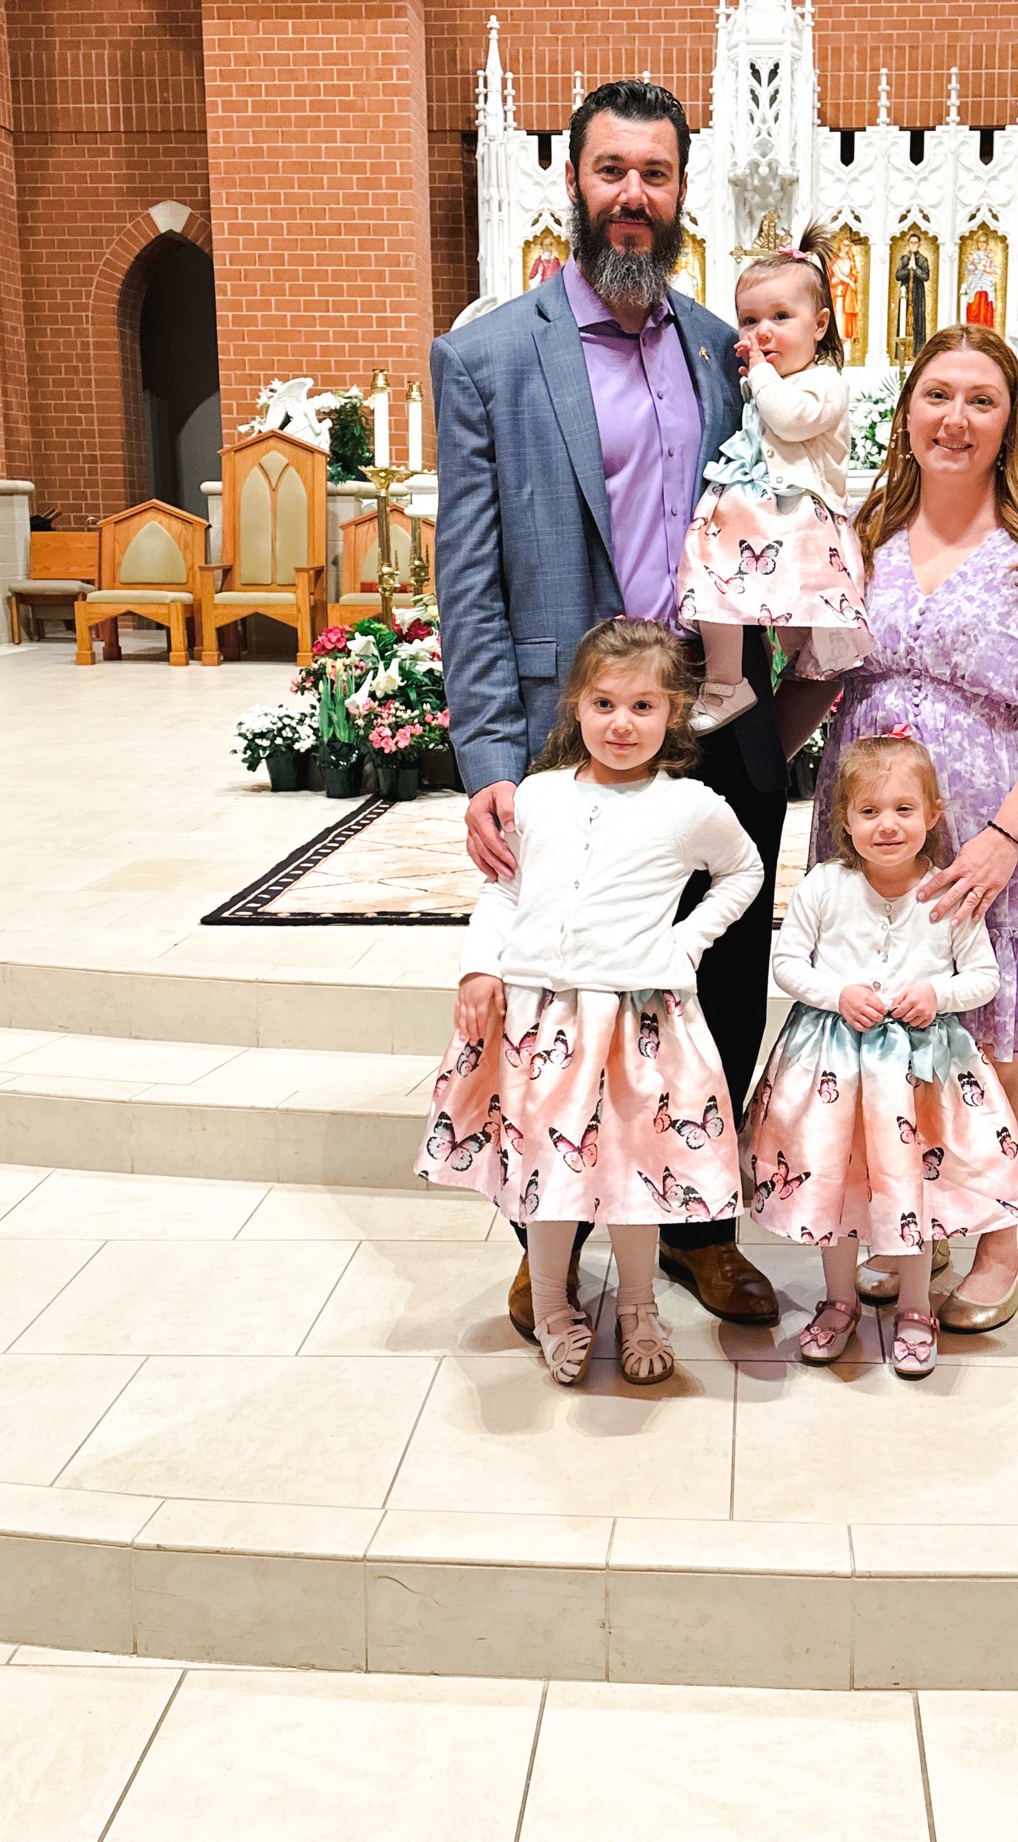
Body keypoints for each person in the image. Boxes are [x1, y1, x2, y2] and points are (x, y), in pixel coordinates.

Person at [431, 77, 786, 1336]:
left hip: (719, 725)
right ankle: (551, 1236)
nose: (634, 196)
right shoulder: (487, 355)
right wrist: (483, 754)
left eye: (656, 173)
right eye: (611, 171)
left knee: (720, 981)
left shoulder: (720, 348)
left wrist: (792, 701)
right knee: (555, 999)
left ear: (685, 189)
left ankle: (696, 1226)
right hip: (560, 733)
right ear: (573, 184)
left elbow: (776, 523)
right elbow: (465, 575)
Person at [812, 323, 1018, 1328]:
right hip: (869, 825)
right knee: (886, 1034)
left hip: (995, 825)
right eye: (937, 394)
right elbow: (819, 674)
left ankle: (996, 1237)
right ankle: (910, 1218)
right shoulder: (863, 531)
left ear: (1010, 421)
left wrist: (1001, 837)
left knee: (985, 1040)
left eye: (980, 399)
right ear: (905, 412)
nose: (955, 417)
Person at [417, 619, 761, 1388]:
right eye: (604, 703)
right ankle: (552, 1308)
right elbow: (503, 888)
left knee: (639, 1171)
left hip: (637, 1025)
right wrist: (480, 970)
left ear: (674, 711)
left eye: (644, 706)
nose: (621, 723)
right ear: (575, 706)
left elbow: (743, 872)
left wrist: (687, 943)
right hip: (543, 1022)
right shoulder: (536, 797)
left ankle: (638, 1307)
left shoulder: (690, 805)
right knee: (547, 1175)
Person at [742, 733, 1018, 1378]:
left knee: (915, 1182)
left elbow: (983, 977)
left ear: (933, 814)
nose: (887, 825)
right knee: (837, 1183)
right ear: (843, 819)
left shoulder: (948, 893)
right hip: (833, 1069)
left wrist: (938, 992)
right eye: (869, 811)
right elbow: (788, 963)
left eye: (904, 809)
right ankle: (839, 1300)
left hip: (921, 1075)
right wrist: (837, 992)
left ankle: (913, 1305)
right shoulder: (824, 886)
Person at [676, 220, 872, 733]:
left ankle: (791, 672)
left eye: (781, 317)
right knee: (712, 581)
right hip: (756, 514)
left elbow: (789, 418)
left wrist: (759, 376)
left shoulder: (825, 383)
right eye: (749, 319)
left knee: (799, 634)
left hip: (797, 518)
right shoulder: (759, 381)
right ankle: (725, 682)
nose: (762, 332)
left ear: (821, 324)